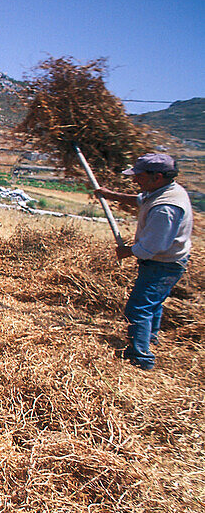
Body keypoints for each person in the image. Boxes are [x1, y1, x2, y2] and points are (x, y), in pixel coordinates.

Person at [94, 153, 193, 370]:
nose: (135, 180)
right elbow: (139, 200)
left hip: (164, 264)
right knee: (153, 303)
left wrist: (127, 251)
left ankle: (141, 358)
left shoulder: (166, 208)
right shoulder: (161, 191)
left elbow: (152, 247)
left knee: (138, 308)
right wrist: (110, 194)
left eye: (139, 176)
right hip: (167, 261)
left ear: (157, 177)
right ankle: (150, 338)